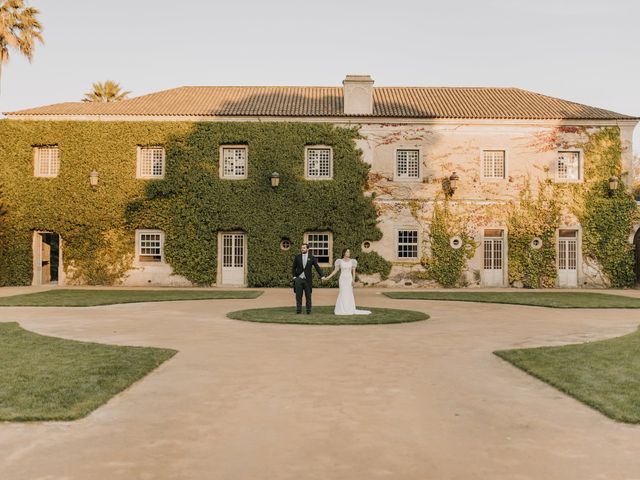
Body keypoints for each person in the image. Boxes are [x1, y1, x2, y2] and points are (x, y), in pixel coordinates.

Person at [322, 248, 371, 315]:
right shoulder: (339, 261)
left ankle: (349, 309)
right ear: (344, 253)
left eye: (349, 252)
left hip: (349, 279)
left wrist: (353, 280)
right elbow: (335, 271)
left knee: (349, 293)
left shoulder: (353, 261)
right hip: (342, 279)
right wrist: (328, 277)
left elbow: (354, 272)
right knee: (342, 293)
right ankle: (341, 310)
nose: (349, 253)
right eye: (347, 252)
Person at [292, 243, 324, 314]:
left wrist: (322, 275)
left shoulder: (312, 257)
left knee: (308, 296)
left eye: (304, 248)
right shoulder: (297, 257)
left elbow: (317, 267)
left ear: (307, 249)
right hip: (298, 279)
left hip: (307, 280)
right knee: (298, 296)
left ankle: (308, 310)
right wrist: (294, 277)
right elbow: (293, 267)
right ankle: (298, 310)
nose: (302, 249)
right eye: (301, 248)